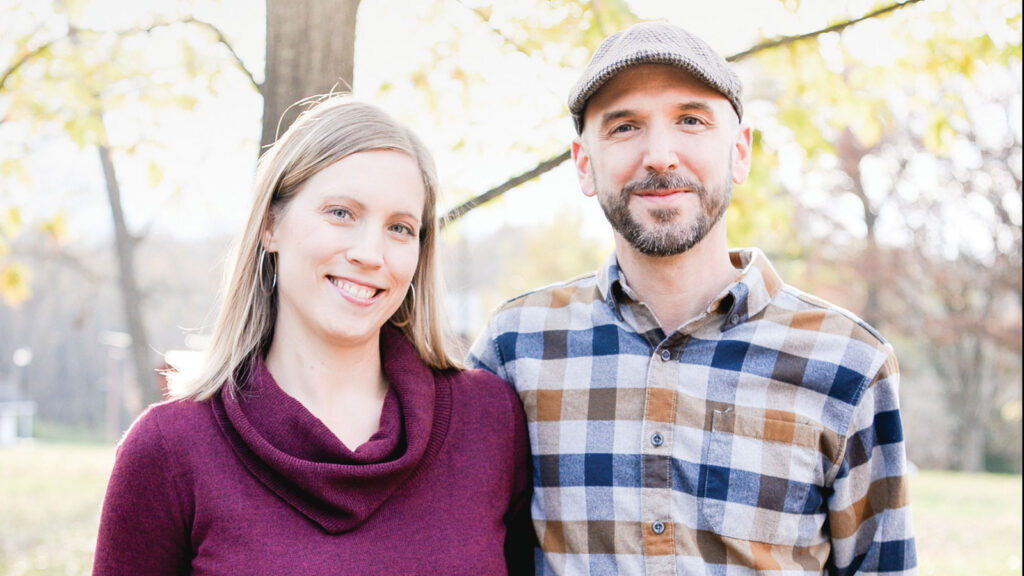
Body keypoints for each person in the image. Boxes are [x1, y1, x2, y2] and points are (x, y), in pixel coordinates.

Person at [470, 22, 916, 575]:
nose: (660, 155)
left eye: (690, 120)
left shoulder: (849, 363)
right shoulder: (517, 348)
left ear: (740, 151)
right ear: (584, 164)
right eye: (625, 125)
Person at [94, 97, 533, 575]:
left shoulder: (490, 422)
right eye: (341, 213)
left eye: (400, 227)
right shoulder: (169, 449)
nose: (370, 253)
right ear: (270, 224)